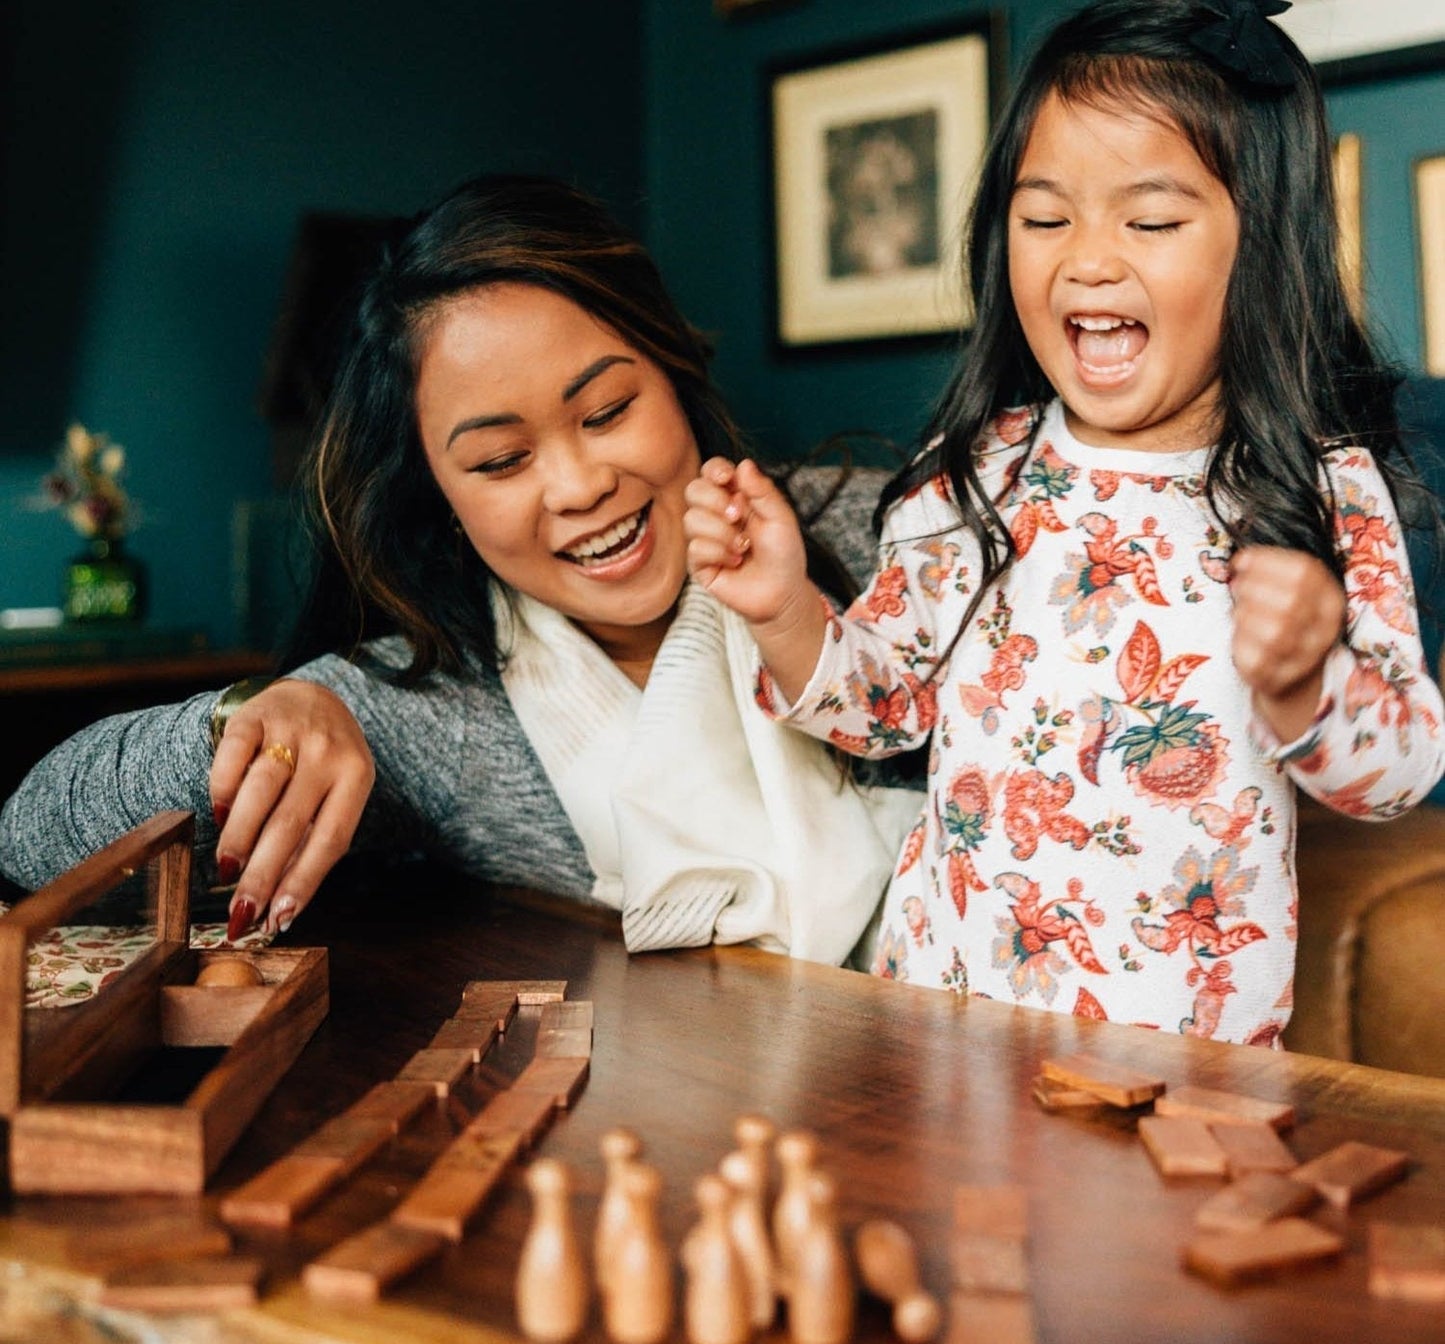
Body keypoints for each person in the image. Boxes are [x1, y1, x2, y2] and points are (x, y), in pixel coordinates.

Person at [683, 0, 1445, 1043]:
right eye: (1044, 218)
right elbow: (883, 708)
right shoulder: (977, 473)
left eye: (1149, 220)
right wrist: (780, 606)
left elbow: (1395, 778)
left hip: (1180, 1055)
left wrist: (1306, 680)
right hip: (940, 1026)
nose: (1086, 259)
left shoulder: (1322, 491)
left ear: (1262, 245)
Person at [0, 175, 921, 967]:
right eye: (498, 461)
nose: (578, 484)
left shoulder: (897, 534)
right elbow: (34, 839)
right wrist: (245, 719)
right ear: (439, 491)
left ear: (673, 372)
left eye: (605, 411)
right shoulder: (425, 699)